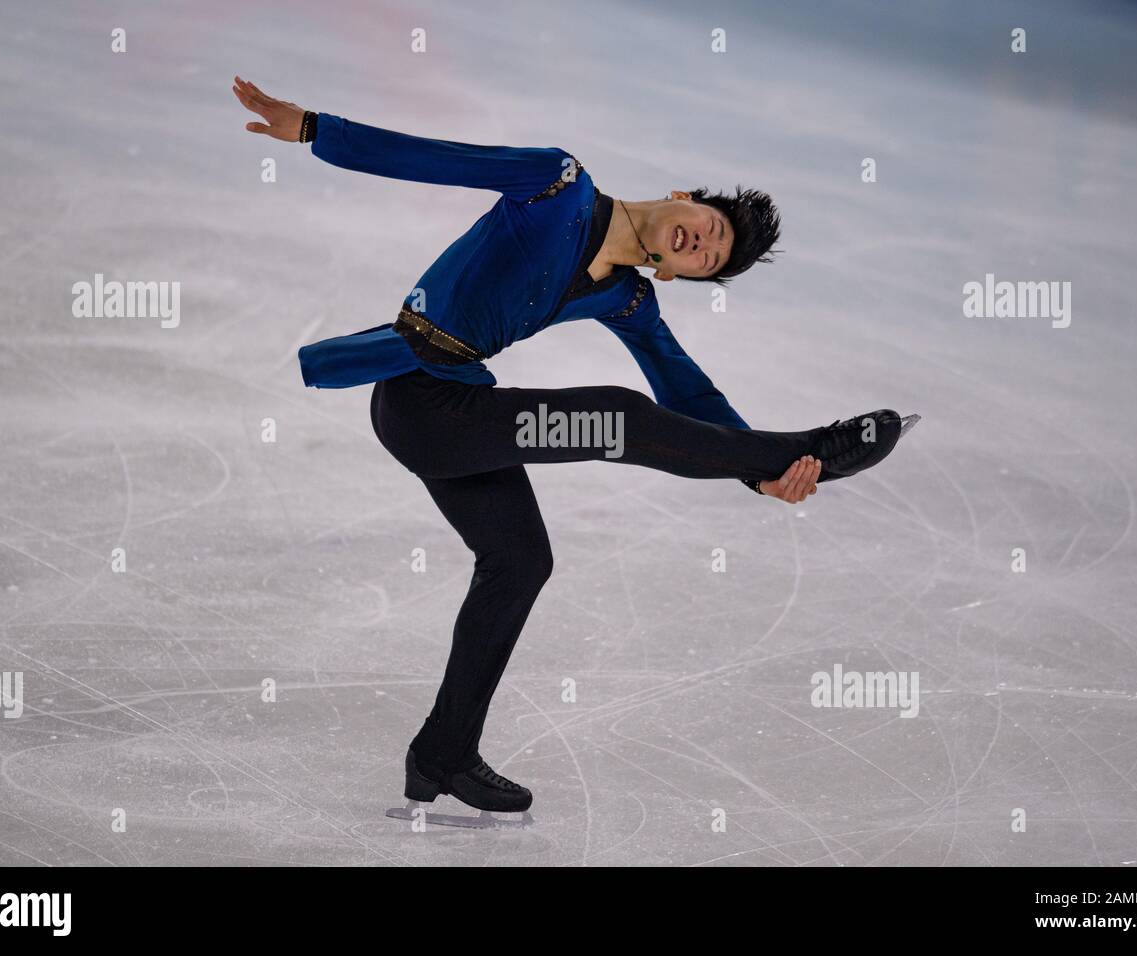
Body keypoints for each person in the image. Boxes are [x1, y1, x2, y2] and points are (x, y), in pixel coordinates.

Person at [232, 77, 911, 816]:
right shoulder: (557, 183)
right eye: (710, 227)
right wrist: (314, 130)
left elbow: (686, 393)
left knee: (522, 560)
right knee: (618, 418)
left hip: (456, 409)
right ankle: (809, 446)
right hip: (419, 398)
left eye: (708, 261)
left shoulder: (627, 296)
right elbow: (440, 158)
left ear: (677, 275)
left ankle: (443, 754)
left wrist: (759, 478)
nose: (701, 244)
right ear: (684, 195)